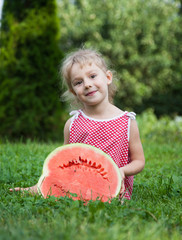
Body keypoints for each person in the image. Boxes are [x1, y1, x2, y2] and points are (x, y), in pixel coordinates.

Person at [10, 48, 145, 200]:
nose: (87, 84)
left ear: (108, 77)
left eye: (93, 76)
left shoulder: (127, 122)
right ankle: (39, 187)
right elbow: (63, 163)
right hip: (76, 189)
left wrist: (121, 171)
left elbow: (139, 161)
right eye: (78, 82)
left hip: (114, 192)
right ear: (73, 91)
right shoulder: (72, 124)